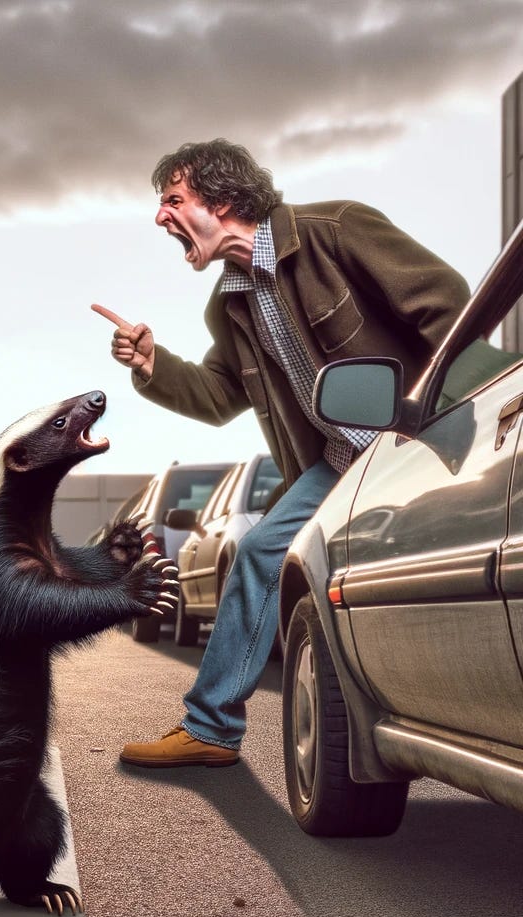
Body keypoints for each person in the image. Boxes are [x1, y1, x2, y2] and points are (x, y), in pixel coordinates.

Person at [93, 138, 469, 768]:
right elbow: (217, 395)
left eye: (173, 200)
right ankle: (210, 729)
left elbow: (447, 305)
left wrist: (440, 422)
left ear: (224, 198)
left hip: (412, 445)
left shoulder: (336, 230)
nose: (161, 217)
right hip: (342, 463)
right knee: (260, 555)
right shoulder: (230, 301)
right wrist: (154, 364)